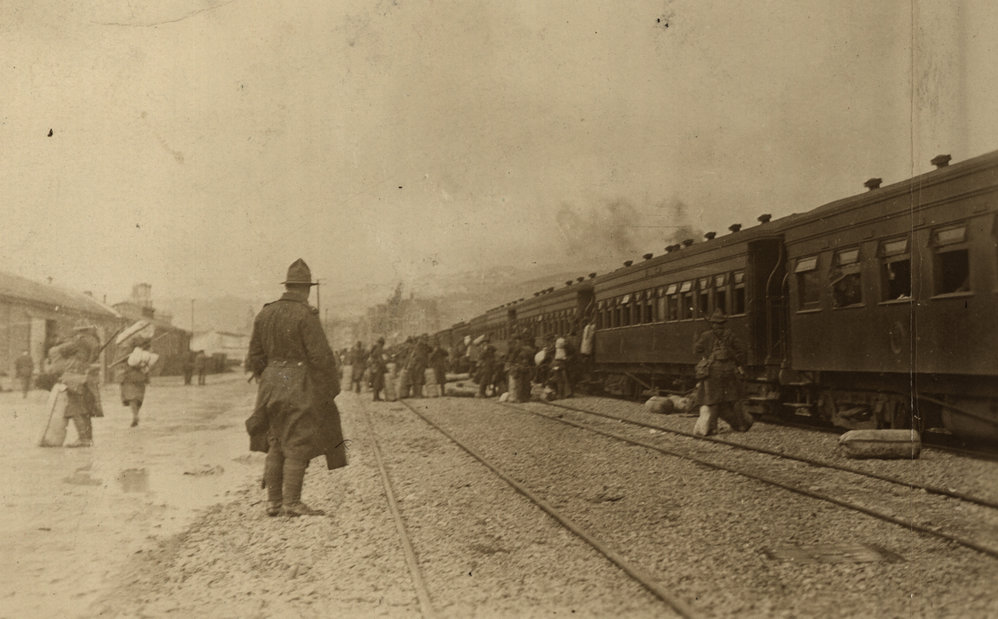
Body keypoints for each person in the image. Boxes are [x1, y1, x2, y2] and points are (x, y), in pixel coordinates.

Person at [244, 259, 347, 517]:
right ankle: (292, 502)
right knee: (298, 440)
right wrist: (328, 391)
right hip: (299, 383)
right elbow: (321, 358)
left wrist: (268, 379)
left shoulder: (264, 313)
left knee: (276, 440)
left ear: (288, 285)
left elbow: (254, 357)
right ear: (307, 289)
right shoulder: (306, 314)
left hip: (270, 385)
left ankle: (274, 503)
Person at [39, 323, 104, 448]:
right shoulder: (95, 342)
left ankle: (83, 439)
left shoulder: (79, 341)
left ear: (80, 331)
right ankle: (88, 438)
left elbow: (61, 351)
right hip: (88, 379)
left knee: (75, 410)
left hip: (75, 378)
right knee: (85, 410)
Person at [692, 309, 753, 436]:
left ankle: (713, 428)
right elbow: (742, 350)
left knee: (713, 400)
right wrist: (737, 361)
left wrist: (707, 356)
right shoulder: (730, 335)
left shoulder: (706, 335)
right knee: (734, 398)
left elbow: (696, 349)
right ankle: (741, 426)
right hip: (730, 370)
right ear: (723, 323)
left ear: (713, 323)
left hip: (713, 370)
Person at [120, 337, 159, 427]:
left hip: (129, 377)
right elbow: (149, 366)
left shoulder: (131, 353)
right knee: (138, 397)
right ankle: (136, 414)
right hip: (141, 377)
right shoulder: (148, 354)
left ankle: (135, 415)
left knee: (131, 397)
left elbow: (124, 363)